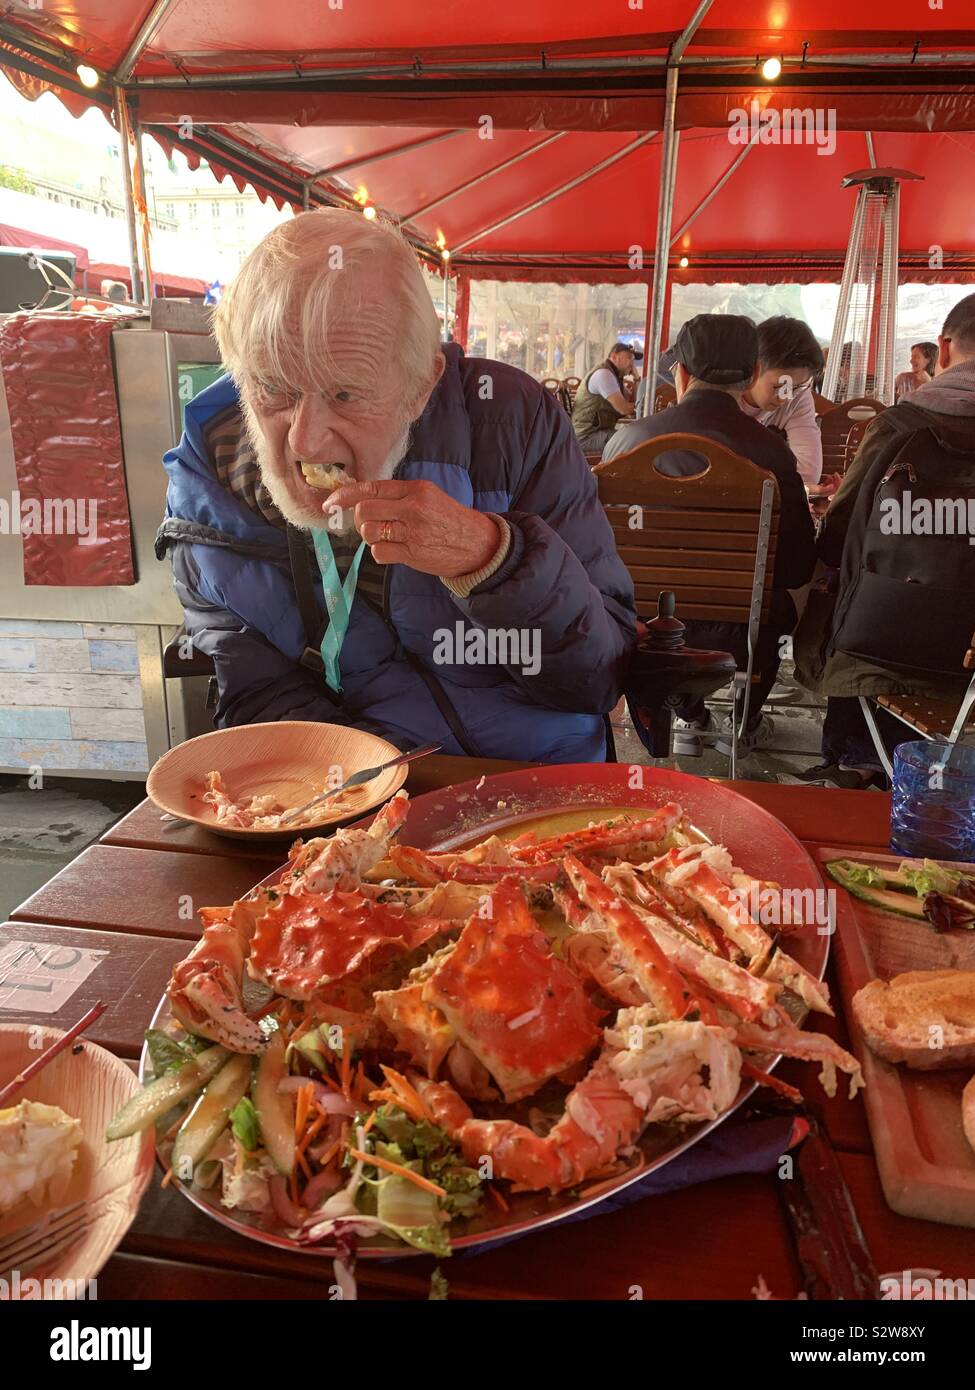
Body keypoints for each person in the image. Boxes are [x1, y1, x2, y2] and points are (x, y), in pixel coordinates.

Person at [156, 210, 637, 762]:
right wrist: (365, 796)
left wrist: (494, 558)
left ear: (419, 387)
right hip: (341, 798)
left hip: (533, 784)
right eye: (272, 385)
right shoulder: (211, 485)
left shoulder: (511, 425)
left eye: (346, 394)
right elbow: (260, 695)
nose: (307, 442)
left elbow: (598, 679)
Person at [601, 313, 817, 758]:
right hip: (742, 634)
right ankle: (745, 721)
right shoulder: (772, 453)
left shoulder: (624, 446)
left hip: (640, 629)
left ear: (679, 373)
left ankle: (688, 709)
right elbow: (797, 565)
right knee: (783, 601)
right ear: (754, 373)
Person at [793, 294, 975, 787]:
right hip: (969, 672)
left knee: (839, 595)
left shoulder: (898, 425)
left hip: (879, 644)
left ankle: (855, 760)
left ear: (944, 347)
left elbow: (836, 537)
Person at [737, 316, 827, 487]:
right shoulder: (724, 394)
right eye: (779, 386)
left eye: (797, 387)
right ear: (754, 368)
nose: (786, 397)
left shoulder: (799, 396)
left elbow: (808, 473)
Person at [570, 341, 638, 452]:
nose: (632, 363)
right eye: (629, 357)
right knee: (631, 441)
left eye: (633, 359)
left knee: (631, 437)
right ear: (614, 356)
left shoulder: (614, 375)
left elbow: (631, 400)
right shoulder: (604, 375)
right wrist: (641, 407)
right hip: (585, 437)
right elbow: (624, 409)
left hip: (598, 432)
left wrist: (636, 379)